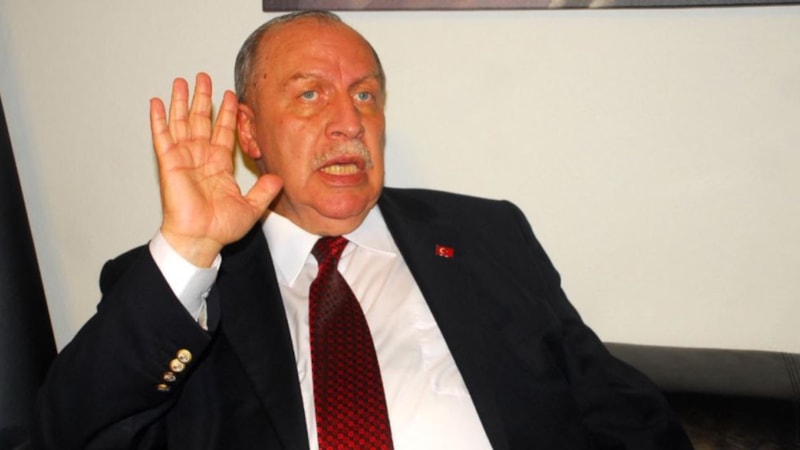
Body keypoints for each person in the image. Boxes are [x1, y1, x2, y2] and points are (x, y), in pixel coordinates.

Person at [34, 10, 693, 450]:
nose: (349, 121)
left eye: (366, 95)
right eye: (310, 94)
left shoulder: (486, 234)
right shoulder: (187, 286)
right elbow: (70, 431)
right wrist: (189, 250)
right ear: (250, 134)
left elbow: (622, 410)